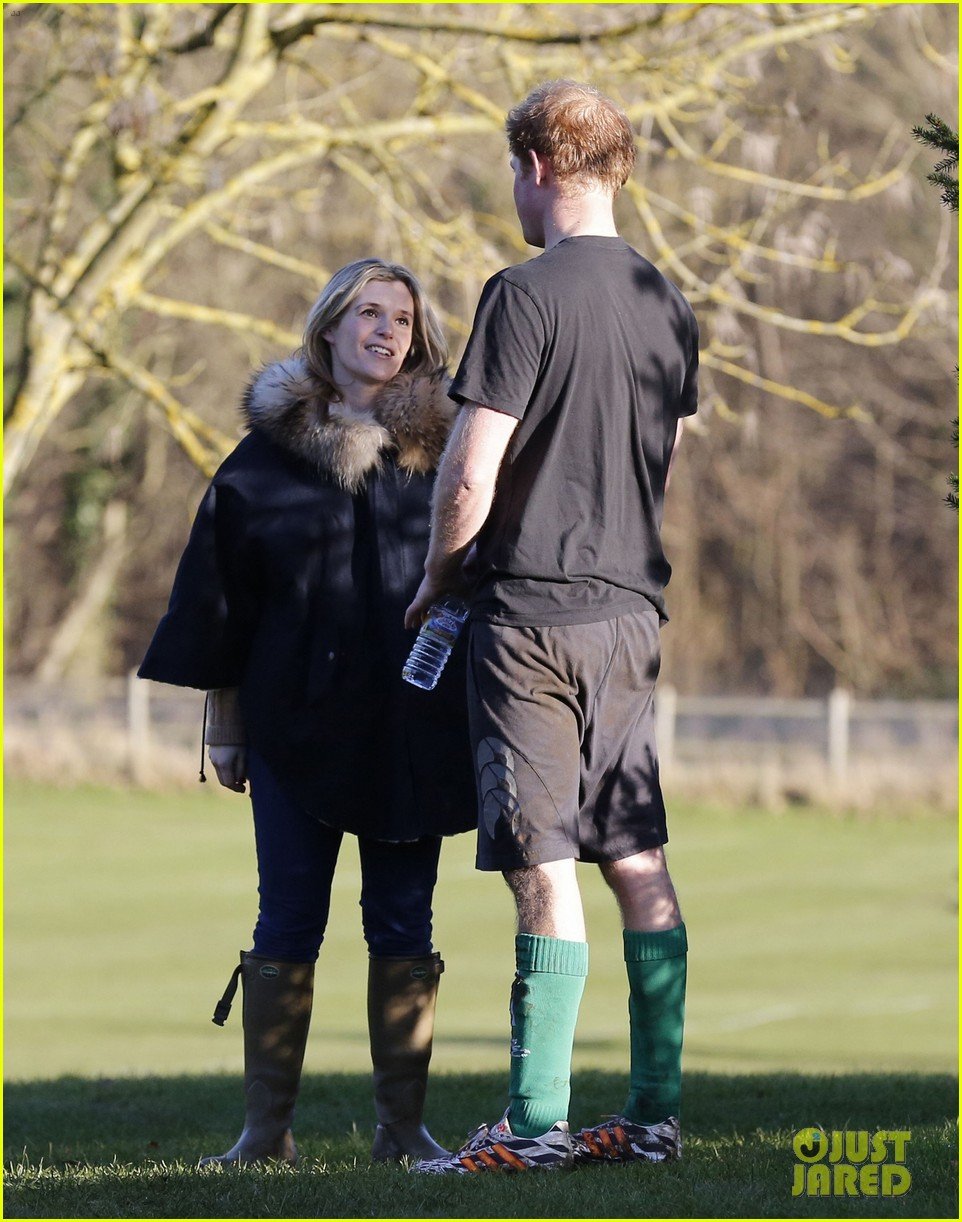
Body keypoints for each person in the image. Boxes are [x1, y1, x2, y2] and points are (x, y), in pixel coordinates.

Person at [405, 81, 698, 1174]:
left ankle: (533, 1126)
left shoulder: (522, 295)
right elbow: (653, 461)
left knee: (544, 863)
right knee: (636, 851)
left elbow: (468, 470)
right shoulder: (666, 301)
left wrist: (436, 579)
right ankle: (652, 1114)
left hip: (528, 615)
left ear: (535, 166)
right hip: (630, 613)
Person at [139, 258, 476, 1166]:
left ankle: (402, 1131)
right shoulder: (263, 462)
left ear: (417, 339)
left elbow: (486, 585)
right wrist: (228, 723)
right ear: (328, 328)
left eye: (401, 318)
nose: (385, 330)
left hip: (415, 732)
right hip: (293, 727)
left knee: (405, 927)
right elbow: (223, 607)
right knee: (286, 924)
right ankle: (265, 1134)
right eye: (367, 312)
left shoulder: (452, 459)